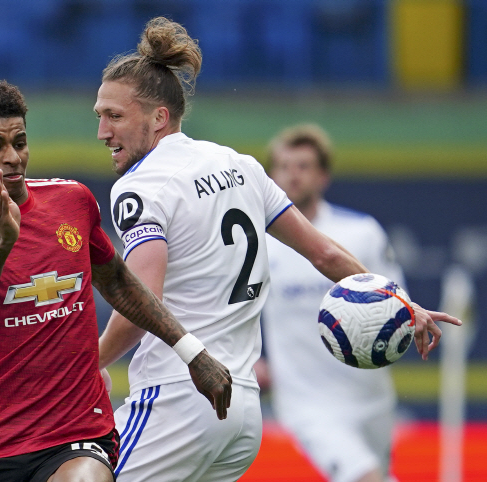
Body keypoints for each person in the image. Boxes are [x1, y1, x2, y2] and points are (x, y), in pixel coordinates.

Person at [94, 17, 460, 482]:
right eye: (99, 116)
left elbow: (141, 298)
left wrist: (89, 363)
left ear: (159, 118)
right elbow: (325, 253)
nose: (103, 131)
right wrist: (402, 304)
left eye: (115, 116)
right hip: (242, 413)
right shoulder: (239, 164)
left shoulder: (142, 185)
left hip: (178, 397)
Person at [0, 80, 231, 482]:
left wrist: (193, 352)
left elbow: (120, 283)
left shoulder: (71, 200)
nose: (13, 157)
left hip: (79, 433)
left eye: (20, 142)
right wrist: (3, 240)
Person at [254, 124, 404, 482]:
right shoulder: (257, 242)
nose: (293, 174)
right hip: (307, 404)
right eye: (284, 166)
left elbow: (397, 301)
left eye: (303, 166)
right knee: (363, 476)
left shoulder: (362, 233)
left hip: (372, 396)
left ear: (323, 175)